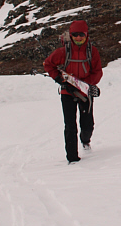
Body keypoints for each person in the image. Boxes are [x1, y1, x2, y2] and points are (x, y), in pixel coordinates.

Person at [43, 19, 103, 163]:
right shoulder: (63, 52)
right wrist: (60, 80)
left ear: (86, 35)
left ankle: (85, 140)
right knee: (70, 126)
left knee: (87, 125)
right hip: (66, 92)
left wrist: (86, 85)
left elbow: (97, 72)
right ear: (70, 35)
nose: (78, 38)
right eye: (75, 35)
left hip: (84, 93)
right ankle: (72, 158)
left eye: (81, 35)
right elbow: (48, 65)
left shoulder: (92, 52)